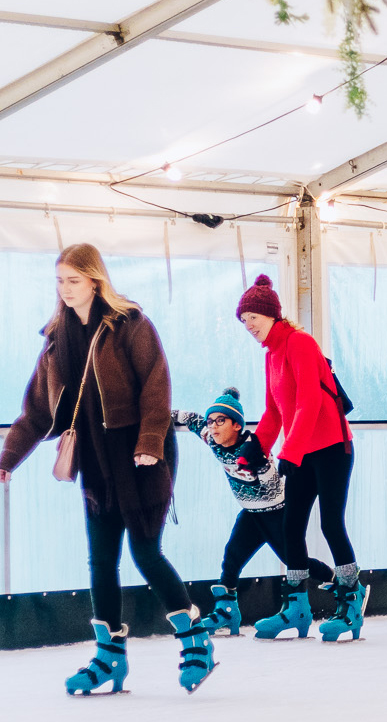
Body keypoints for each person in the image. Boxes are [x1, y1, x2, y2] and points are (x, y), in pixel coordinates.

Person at [0, 243, 215, 694]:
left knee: (145, 552)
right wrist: (7, 461)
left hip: (141, 453)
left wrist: (150, 442)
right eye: (59, 281)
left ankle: (196, 638)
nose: (65, 289)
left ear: (95, 281)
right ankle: (109, 656)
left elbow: (157, 385)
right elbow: (37, 412)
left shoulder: (129, 324)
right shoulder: (58, 339)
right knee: (101, 559)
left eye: (73, 281)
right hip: (97, 462)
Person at [236, 274, 364, 642]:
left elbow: (310, 401)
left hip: (331, 446)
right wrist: (254, 447)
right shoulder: (271, 356)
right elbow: (275, 412)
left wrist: (289, 452)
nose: (249, 327)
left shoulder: (300, 343)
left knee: (330, 524)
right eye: (244, 322)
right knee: (292, 527)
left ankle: (352, 603)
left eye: (253, 319)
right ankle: (296, 609)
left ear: (271, 315)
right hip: (302, 449)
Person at [172, 387, 334, 634]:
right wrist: (158, 415)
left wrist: (259, 466)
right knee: (232, 557)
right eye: (211, 421)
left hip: (276, 513)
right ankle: (226, 612)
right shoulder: (214, 441)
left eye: (220, 421)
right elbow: (192, 420)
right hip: (251, 513)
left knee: (296, 562)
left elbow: (272, 484)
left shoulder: (253, 447)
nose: (213, 427)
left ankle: (340, 583)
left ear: (237, 425)